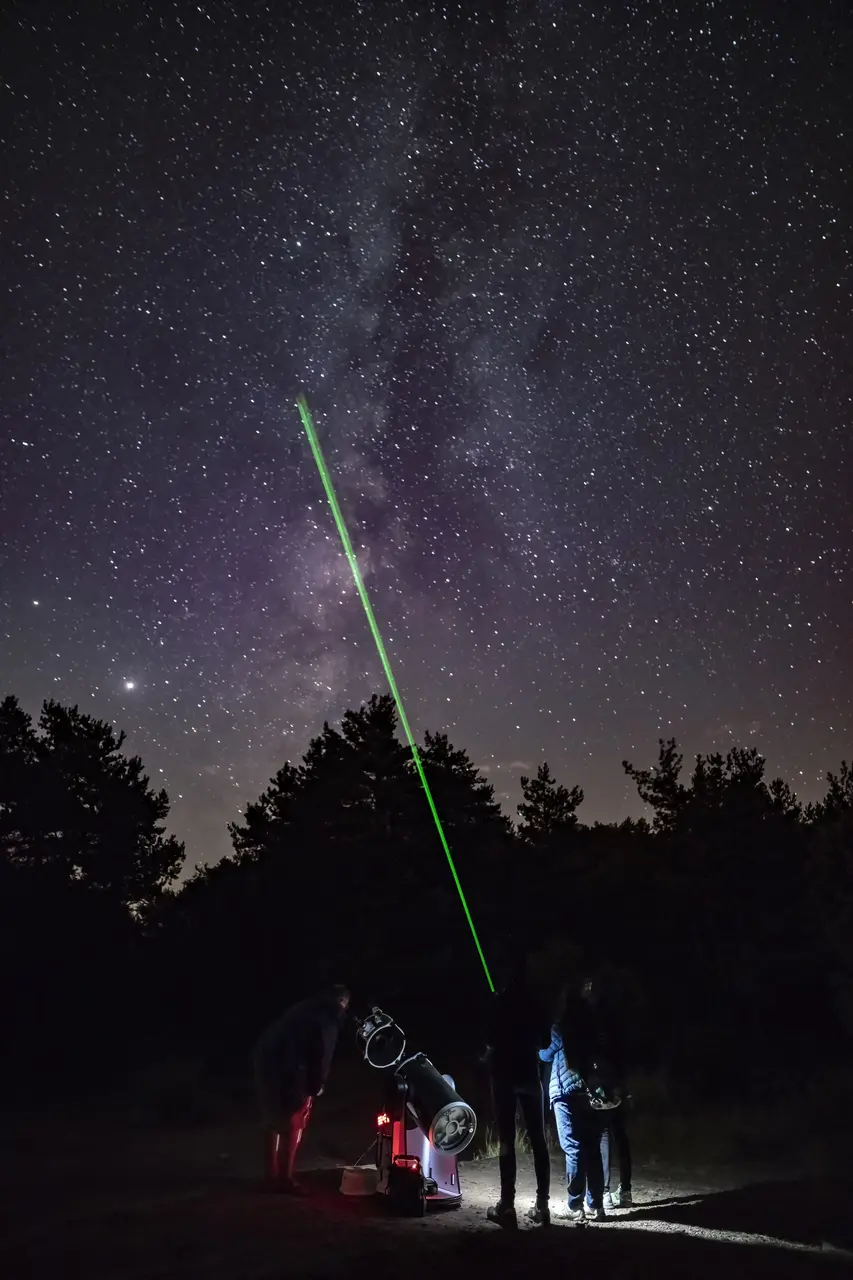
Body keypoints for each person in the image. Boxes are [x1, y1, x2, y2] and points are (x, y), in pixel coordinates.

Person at [252, 983, 351, 1193]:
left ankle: (271, 1175)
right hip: (288, 1067)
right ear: (342, 1003)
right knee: (294, 1121)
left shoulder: (305, 1008)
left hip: (265, 1059)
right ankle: (284, 1179)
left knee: (273, 1119)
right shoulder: (328, 1020)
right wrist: (315, 1087)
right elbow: (321, 1057)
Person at [483, 960, 552, 1228]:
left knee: (507, 1140)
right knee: (538, 1140)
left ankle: (507, 1205)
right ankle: (542, 1206)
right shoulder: (537, 1004)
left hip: (503, 1076)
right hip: (529, 1075)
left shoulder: (499, 1001)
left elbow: (489, 1039)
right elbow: (545, 1041)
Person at [540, 982, 606, 1223]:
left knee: (573, 1148)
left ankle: (574, 1205)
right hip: (589, 1093)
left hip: (565, 1095)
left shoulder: (560, 1027)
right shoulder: (590, 1027)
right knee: (592, 1149)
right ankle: (596, 1205)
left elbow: (543, 1054)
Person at [580, 976, 633, 1209]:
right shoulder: (616, 1018)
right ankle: (625, 1191)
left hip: (602, 1085)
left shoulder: (590, 1019)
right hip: (615, 1082)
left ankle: (605, 1192)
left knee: (604, 1136)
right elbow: (623, 1051)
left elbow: (589, 1053)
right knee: (619, 1136)